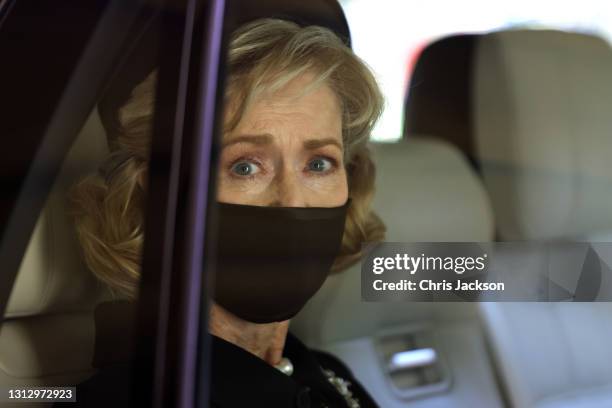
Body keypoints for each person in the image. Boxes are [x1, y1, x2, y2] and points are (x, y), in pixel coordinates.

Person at [64, 17, 385, 408]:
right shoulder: (130, 397)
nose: (293, 202)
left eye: (318, 164)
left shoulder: (325, 375)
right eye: (245, 166)